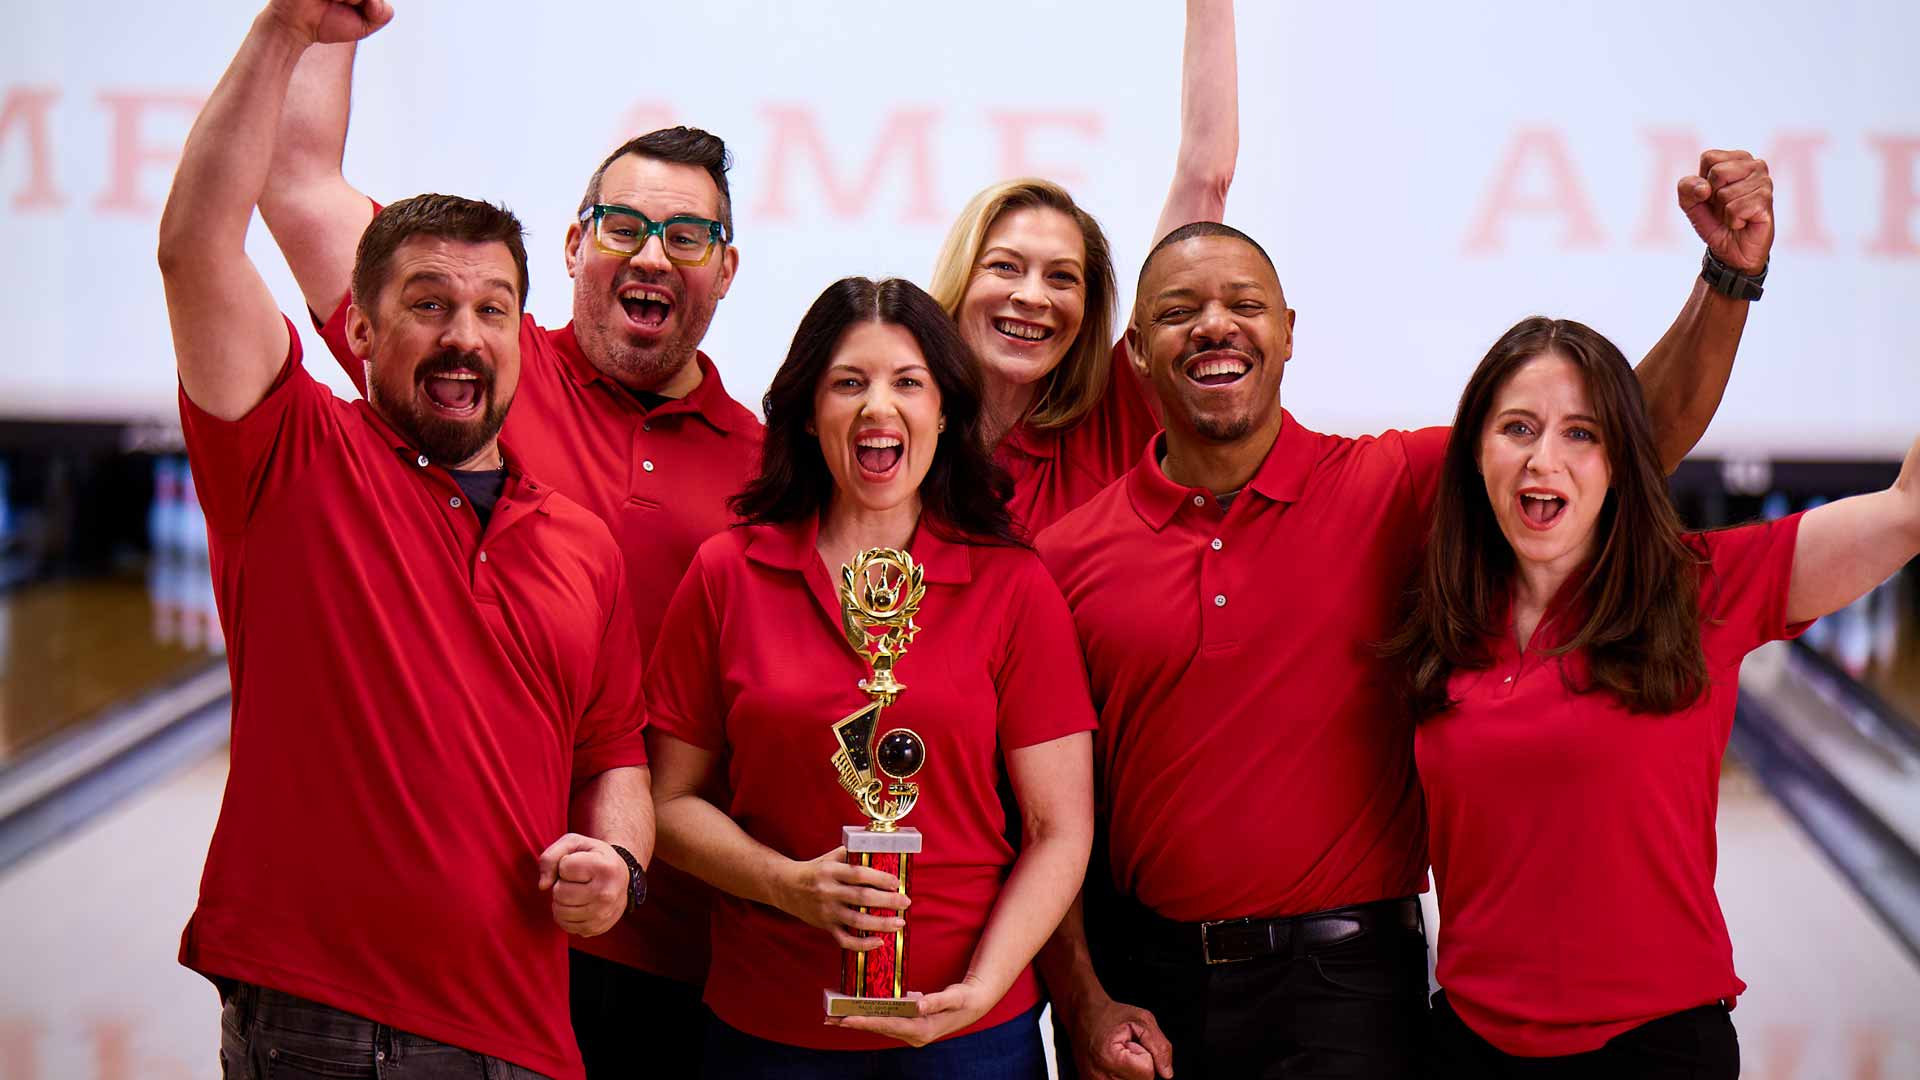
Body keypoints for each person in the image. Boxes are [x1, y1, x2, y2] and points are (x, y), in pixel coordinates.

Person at [1034, 166, 1775, 1080]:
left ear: (1289, 333)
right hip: (1152, 990)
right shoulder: (1066, 558)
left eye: (1245, 304)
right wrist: (1082, 1000)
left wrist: (1728, 279)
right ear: (1138, 351)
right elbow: (1041, 816)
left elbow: (1635, 433)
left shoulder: (1390, 488)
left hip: (1349, 988)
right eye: (1181, 310)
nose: (1216, 324)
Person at [255, 8, 762, 1070]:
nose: (652, 254)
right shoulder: (469, 359)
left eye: (688, 236)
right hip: (463, 944)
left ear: (727, 270)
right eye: (623, 225)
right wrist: (325, 22)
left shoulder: (767, 474)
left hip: (670, 951)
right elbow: (297, 178)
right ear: (576, 243)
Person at [157, 4, 651, 1079]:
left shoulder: (581, 545)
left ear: (526, 331)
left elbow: (615, 759)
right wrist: (289, 30)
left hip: (522, 1037)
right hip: (323, 1030)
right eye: (429, 305)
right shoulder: (289, 456)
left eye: (493, 308)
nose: (464, 333)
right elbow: (197, 245)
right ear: (360, 329)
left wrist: (619, 862)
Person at [1388, 317, 1920, 1078]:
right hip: (1468, 1047)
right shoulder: (1437, 619)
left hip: (1656, 1051)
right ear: (1475, 450)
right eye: (1518, 428)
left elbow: (1907, 509)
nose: (1545, 459)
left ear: (1620, 463)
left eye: (1582, 433)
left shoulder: (1700, 587)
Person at [645, 277, 1096, 1077]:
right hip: (769, 1028)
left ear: (947, 412)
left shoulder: (1014, 585)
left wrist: (985, 987)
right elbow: (669, 806)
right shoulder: (727, 573)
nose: (877, 408)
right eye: (848, 382)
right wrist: (787, 886)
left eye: (908, 383)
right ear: (810, 415)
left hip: (972, 1035)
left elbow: (1060, 829)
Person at [927, 0, 1239, 536]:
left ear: (1088, 310)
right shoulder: (896, 421)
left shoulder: (1110, 420)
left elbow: (1205, 175)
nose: (1033, 296)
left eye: (1062, 277)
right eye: (1005, 267)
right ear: (960, 277)